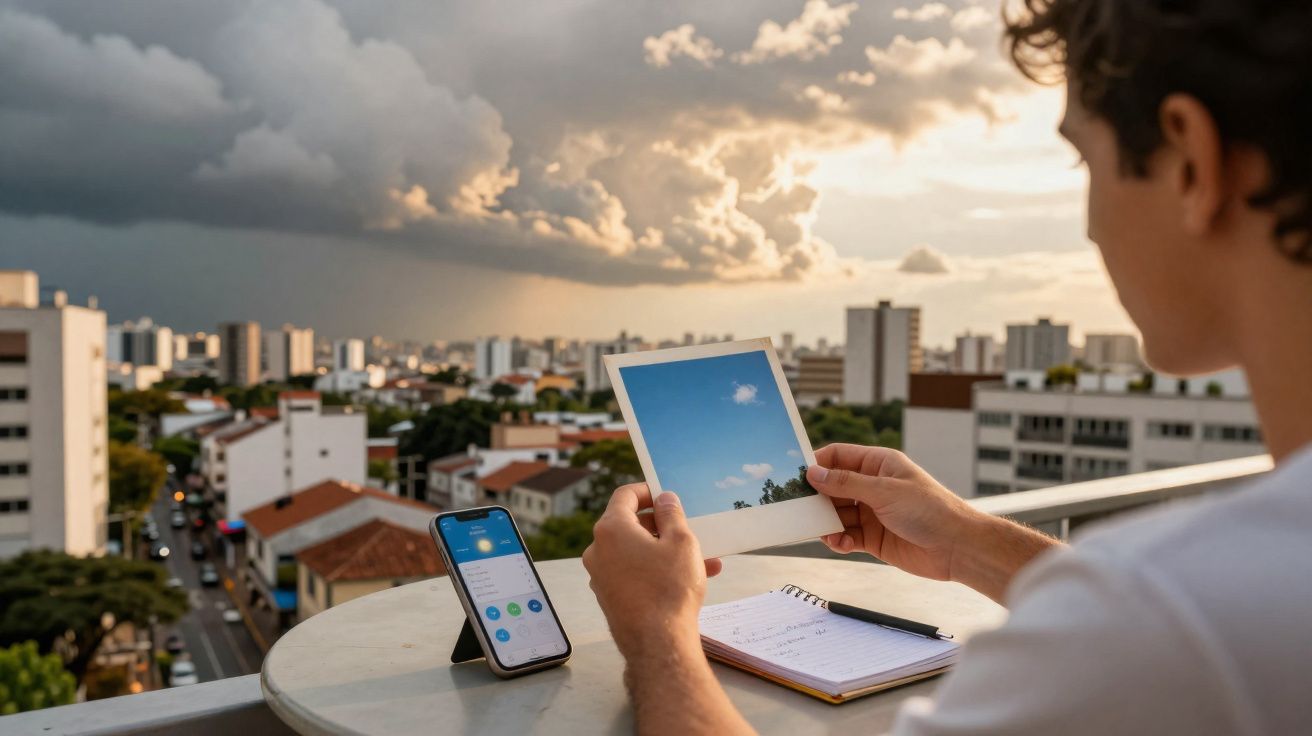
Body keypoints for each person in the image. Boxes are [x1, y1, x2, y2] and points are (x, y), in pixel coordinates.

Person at [581, 1, 1312, 733]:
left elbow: (1151, 630)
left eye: (1083, 159)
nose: (1088, 224)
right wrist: (964, 539)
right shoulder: (1202, 606)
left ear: (1190, 159)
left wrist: (657, 630)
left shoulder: (1165, 622)